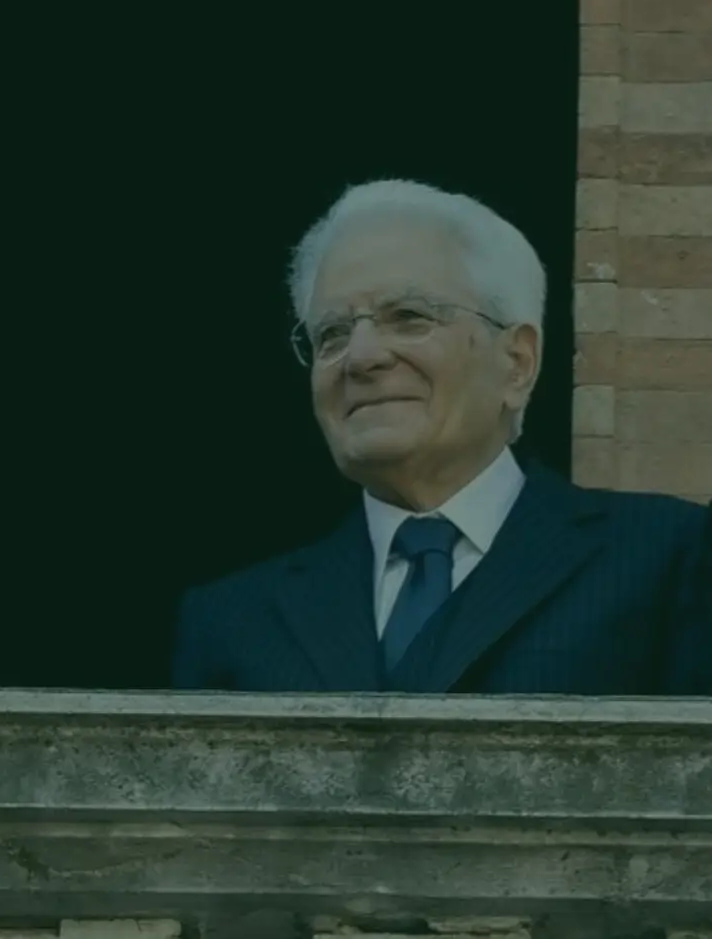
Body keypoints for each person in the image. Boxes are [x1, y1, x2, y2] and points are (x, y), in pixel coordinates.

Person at [172, 179, 710, 695]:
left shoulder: (670, 559)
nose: (360, 357)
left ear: (518, 363)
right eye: (331, 333)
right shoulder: (232, 619)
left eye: (407, 317)